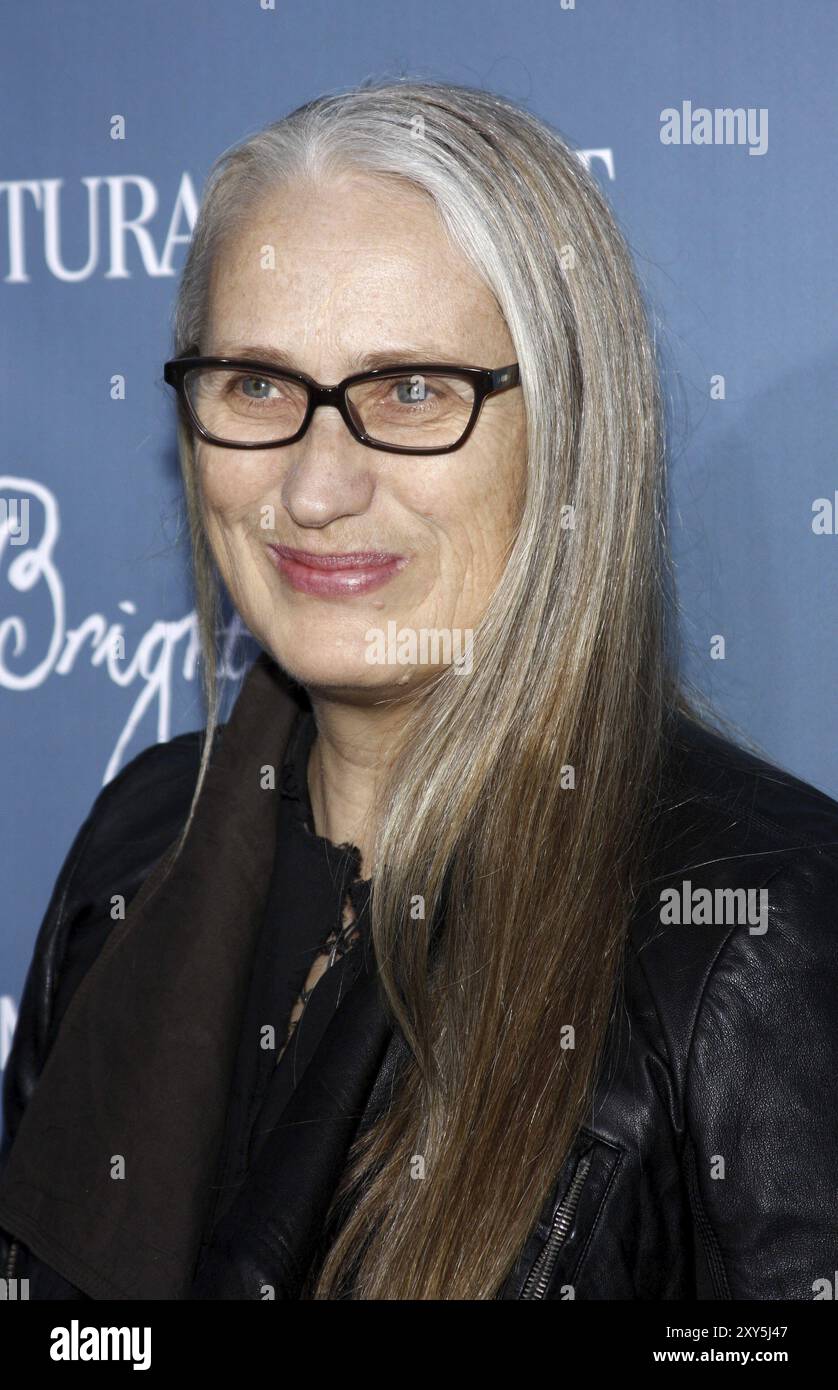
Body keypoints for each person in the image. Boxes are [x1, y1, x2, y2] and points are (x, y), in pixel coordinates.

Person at [2, 77, 838, 1302]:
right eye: (256, 385)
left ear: (568, 428)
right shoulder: (140, 842)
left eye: (410, 391)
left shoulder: (753, 927)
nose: (316, 484)